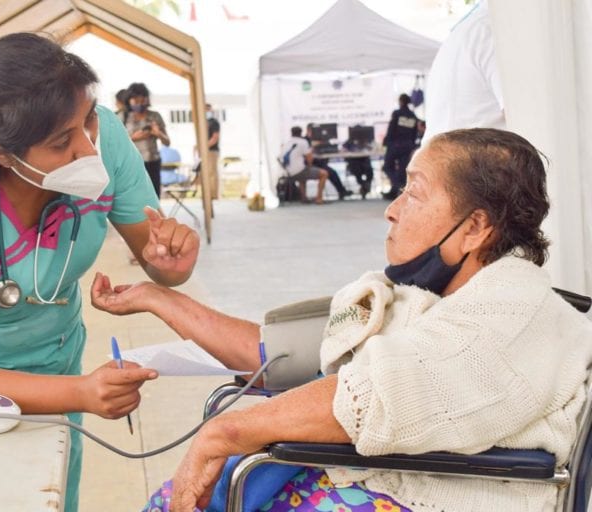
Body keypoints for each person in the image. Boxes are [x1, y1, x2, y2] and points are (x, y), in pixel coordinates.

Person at [91, 128, 592, 512]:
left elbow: (379, 394)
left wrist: (226, 432)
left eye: (413, 193)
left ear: (476, 228)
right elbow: (283, 359)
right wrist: (159, 298)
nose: (391, 211)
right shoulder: (424, 298)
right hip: (361, 478)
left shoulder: (512, 315)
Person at [0, 33, 200, 512]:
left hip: (51, 356)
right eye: (61, 143)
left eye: (89, 120)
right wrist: (82, 392)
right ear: (1, 152)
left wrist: (173, 261)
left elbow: (158, 261)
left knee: (47, 496)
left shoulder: (105, 138)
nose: (89, 148)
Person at [424, 0, 504, 141]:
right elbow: (528, 119)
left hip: (456, 155)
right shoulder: (494, 30)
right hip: (470, 159)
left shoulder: (476, 27)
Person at [125, 82, 170, 197]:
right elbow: (117, 144)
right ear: (129, 100)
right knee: (137, 197)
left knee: (154, 196)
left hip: (153, 162)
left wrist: (158, 133)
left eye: (142, 100)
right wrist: (134, 138)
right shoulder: (124, 117)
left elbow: (167, 142)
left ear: (146, 99)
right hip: (133, 164)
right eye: (135, 100)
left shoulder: (155, 116)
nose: (139, 103)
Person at [382, 93, 418, 201]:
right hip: (407, 146)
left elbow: (391, 129)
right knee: (402, 170)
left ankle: (398, 186)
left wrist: (386, 142)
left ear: (401, 101)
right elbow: (414, 133)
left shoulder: (397, 113)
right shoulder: (413, 116)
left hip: (395, 145)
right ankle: (395, 191)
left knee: (387, 167)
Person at [279, 126, 328, 204]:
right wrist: (309, 166)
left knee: (303, 171)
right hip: (298, 172)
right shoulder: (303, 142)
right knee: (324, 173)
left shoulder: (287, 143)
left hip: (287, 172)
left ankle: (304, 198)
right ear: (301, 133)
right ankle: (319, 198)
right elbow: (309, 157)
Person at [306, 123, 352, 201]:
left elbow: (329, 148)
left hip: (319, 163)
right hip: (310, 164)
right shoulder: (306, 140)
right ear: (308, 130)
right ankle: (341, 191)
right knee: (331, 172)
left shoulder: (322, 139)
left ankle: (341, 191)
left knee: (331, 172)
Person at [205, 103, 221, 200]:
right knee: (207, 173)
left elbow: (215, 137)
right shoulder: (204, 122)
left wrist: (204, 146)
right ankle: (208, 194)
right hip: (205, 151)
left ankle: (213, 195)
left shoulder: (214, 122)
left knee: (212, 173)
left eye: (208, 109)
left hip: (212, 151)